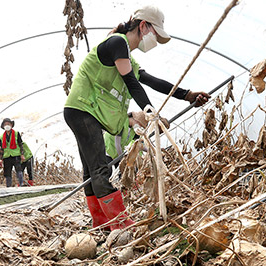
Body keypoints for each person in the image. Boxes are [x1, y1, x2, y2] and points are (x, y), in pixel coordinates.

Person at [64, 6, 210, 230]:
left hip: (82, 111)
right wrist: (149, 110)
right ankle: (121, 225)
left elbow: (151, 80)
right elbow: (132, 83)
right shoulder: (118, 43)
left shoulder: (126, 56)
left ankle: (101, 223)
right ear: (143, 26)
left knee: (91, 170)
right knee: (99, 168)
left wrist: (187, 95)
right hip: (83, 110)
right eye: (155, 34)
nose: (154, 40)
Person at [0, 118, 25, 187]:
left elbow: (20, 144)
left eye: (8, 124)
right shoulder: (1, 136)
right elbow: (1, 148)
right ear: (3, 126)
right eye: (5, 124)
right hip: (6, 156)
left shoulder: (16, 133)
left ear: (11, 125)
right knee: (7, 172)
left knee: (18, 170)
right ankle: (8, 186)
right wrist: (1, 159)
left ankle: (21, 184)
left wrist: (22, 154)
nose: (7, 125)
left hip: (15, 155)